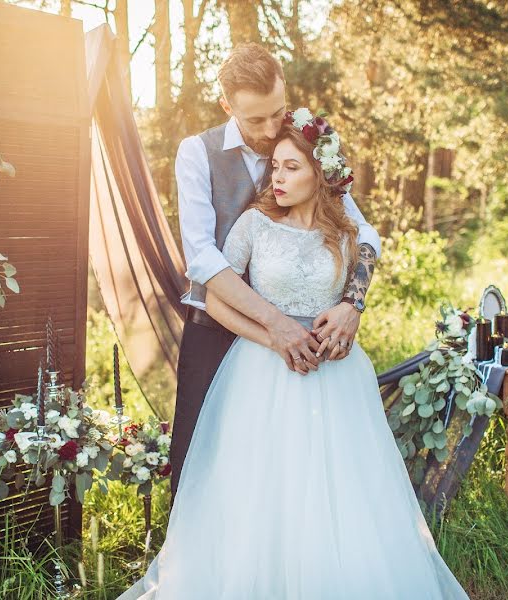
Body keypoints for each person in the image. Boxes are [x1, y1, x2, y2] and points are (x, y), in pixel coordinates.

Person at [116, 111, 470, 600]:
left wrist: (351, 309)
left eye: (290, 168)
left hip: (336, 377)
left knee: (339, 486)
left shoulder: (346, 233)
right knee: (262, 485)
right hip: (262, 373)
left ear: (320, 175)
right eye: (274, 168)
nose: (276, 178)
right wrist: (269, 337)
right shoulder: (255, 224)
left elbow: (365, 254)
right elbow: (213, 295)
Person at [169, 43, 382, 502]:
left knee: (294, 469)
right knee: (198, 461)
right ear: (227, 106)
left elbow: (364, 231)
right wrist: (275, 325)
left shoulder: (304, 142)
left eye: (278, 113)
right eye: (255, 120)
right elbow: (203, 258)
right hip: (215, 328)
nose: (270, 130)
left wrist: (352, 303)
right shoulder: (196, 153)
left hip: (306, 339)